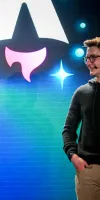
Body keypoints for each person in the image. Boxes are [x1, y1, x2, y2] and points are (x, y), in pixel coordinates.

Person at [62, 37, 100, 200]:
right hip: (88, 170)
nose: (88, 62)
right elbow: (68, 130)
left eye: (93, 57)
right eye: (87, 58)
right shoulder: (82, 92)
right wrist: (73, 155)